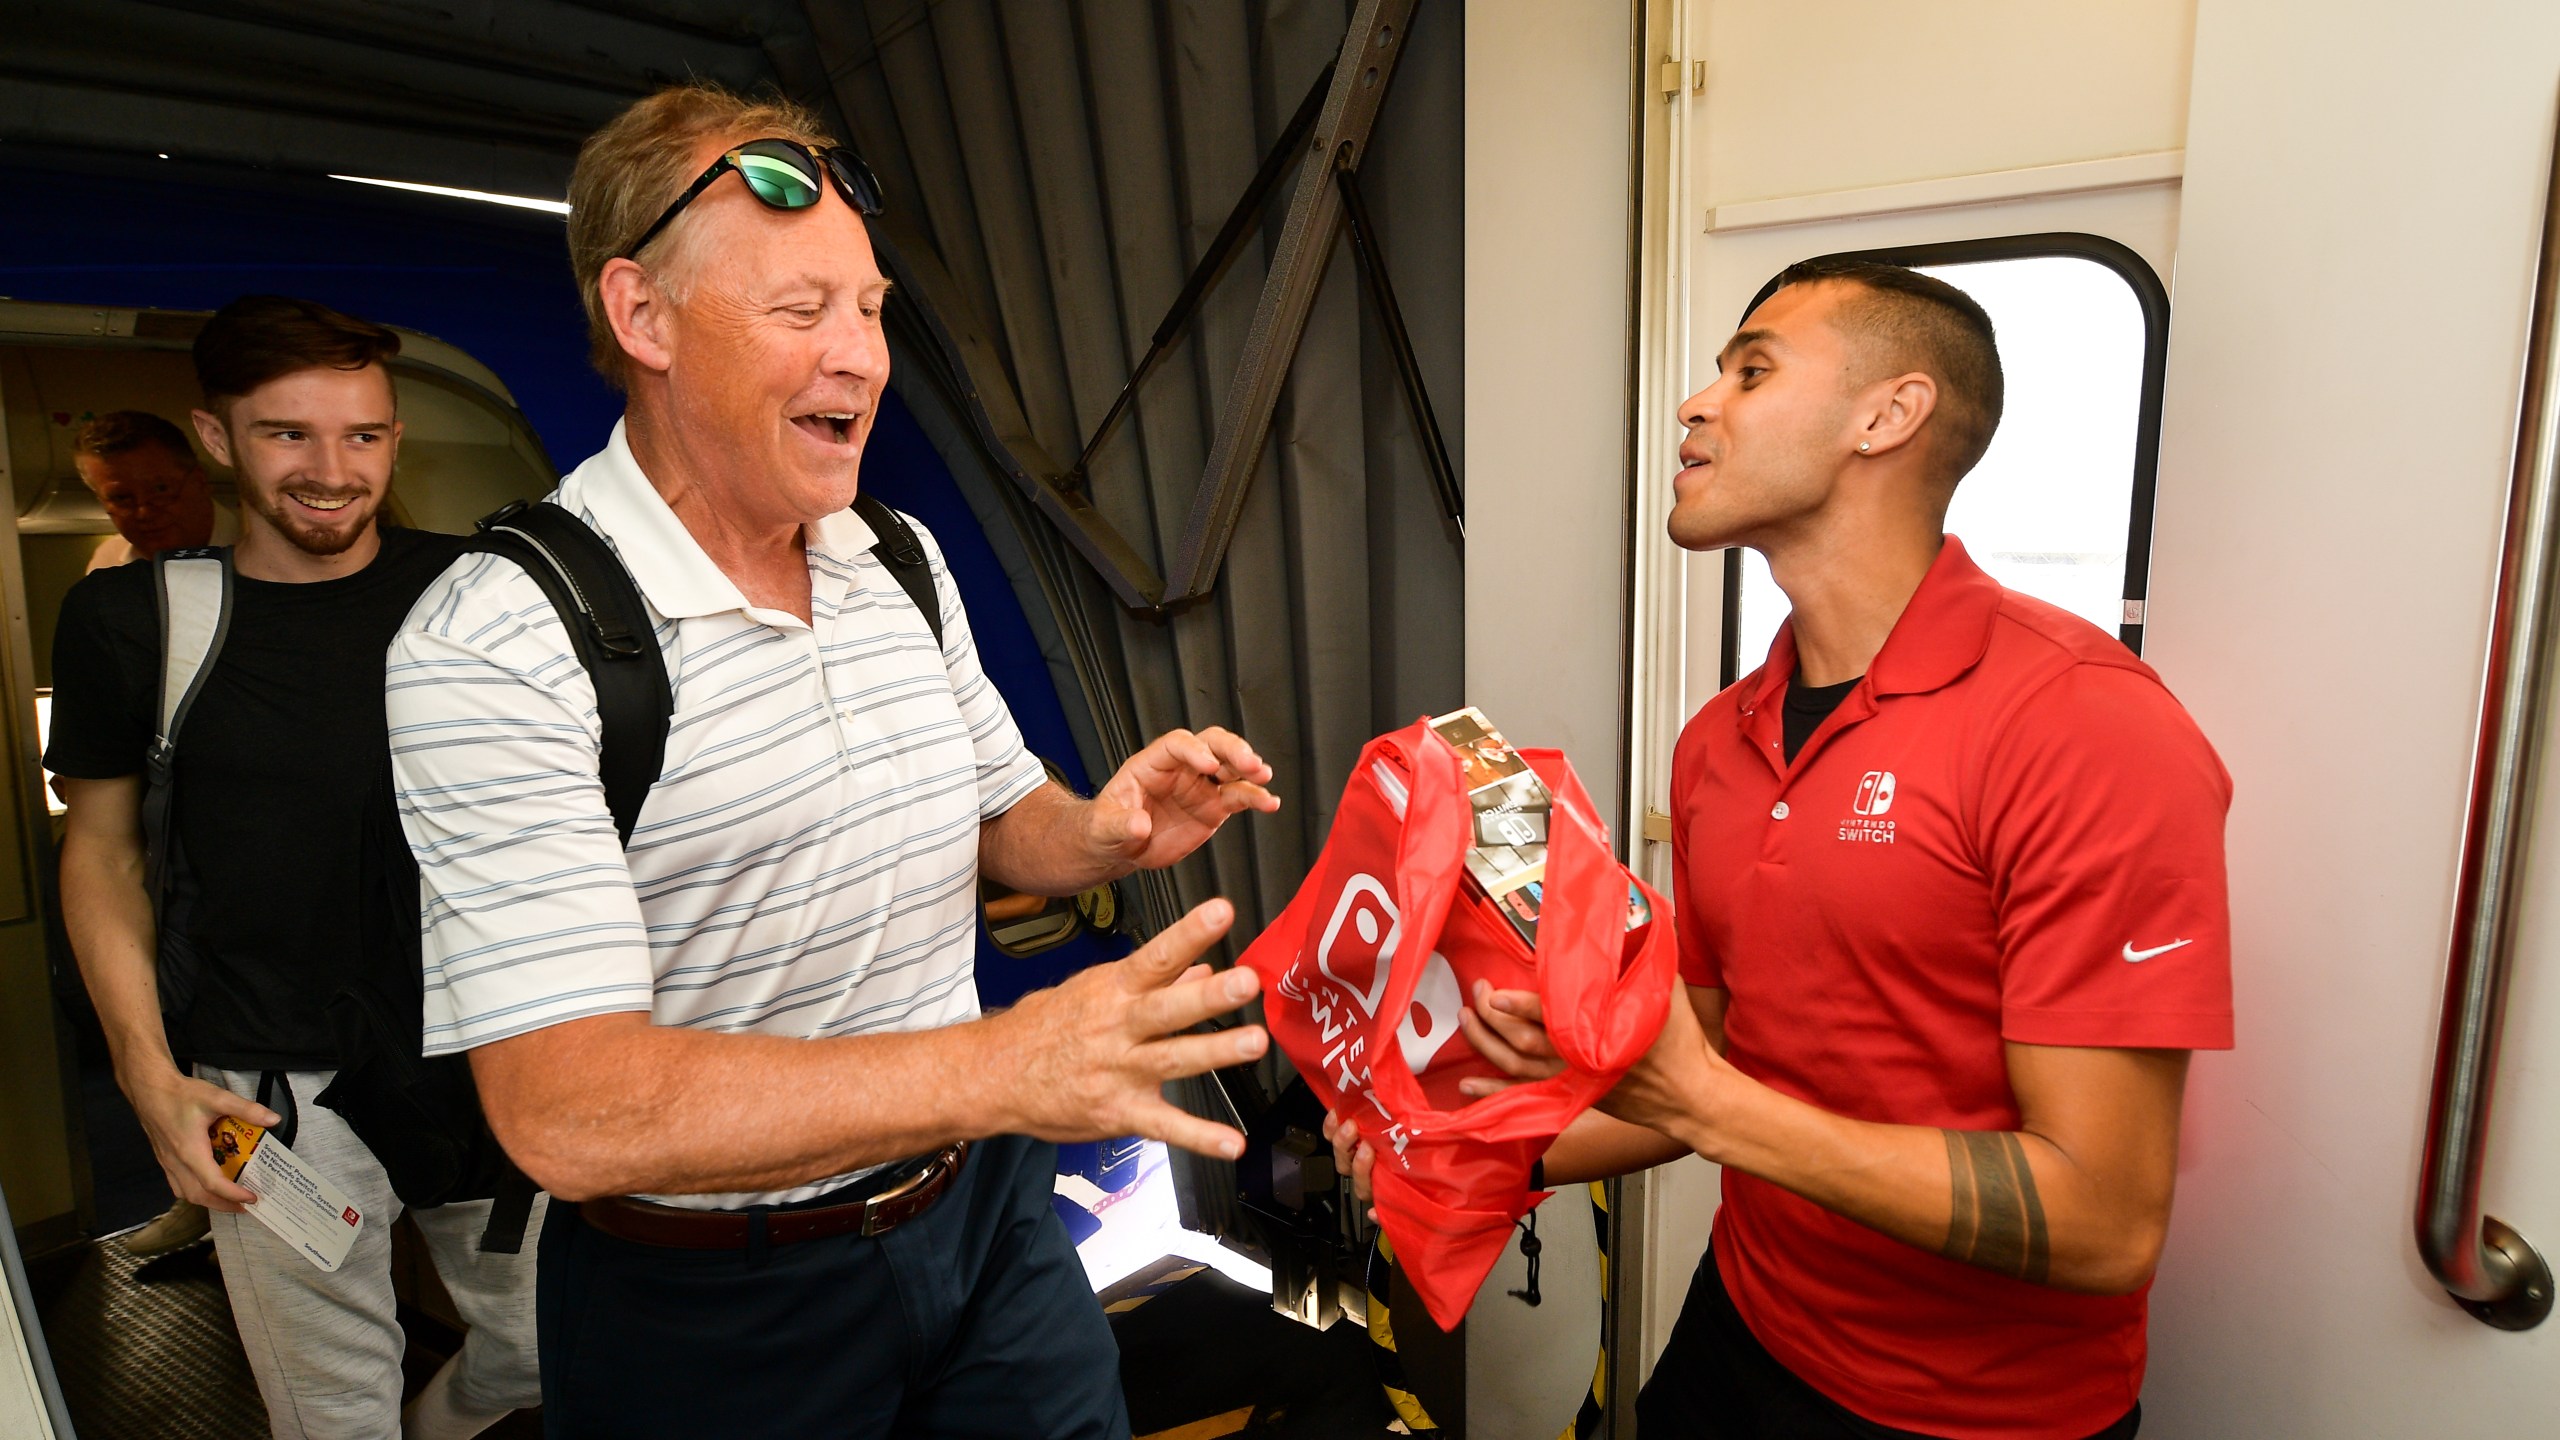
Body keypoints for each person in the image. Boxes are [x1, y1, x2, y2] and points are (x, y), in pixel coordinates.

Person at [384, 84, 1280, 1440]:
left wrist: (1097, 829)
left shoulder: (898, 564)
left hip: (980, 1226)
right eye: (802, 313)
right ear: (642, 319)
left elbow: (1000, 811)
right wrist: (1005, 1064)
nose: (860, 358)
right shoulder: (502, 643)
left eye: (868, 311)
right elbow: (567, 1114)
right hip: (713, 1303)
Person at [1334, 258, 2232, 1439]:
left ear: (1887, 415)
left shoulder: (2082, 724)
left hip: (1973, 1415)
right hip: (1744, 1330)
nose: (1695, 405)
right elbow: (1705, 1053)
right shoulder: (1721, 741)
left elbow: (2105, 1221)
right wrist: (1486, 1153)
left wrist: (1707, 1106)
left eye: (1750, 371)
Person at [51, 295, 543, 1440]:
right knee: (330, 1413)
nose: (333, 469)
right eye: (289, 434)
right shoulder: (135, 617)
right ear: (217, 437)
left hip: (479, 1057)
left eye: (362, 435)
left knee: (534, 1345)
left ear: (393, 439)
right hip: (262, 1095)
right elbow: (104, 851)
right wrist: (142, 1072)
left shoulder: (480, 590)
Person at [71, 409, 240, 571]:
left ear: (200, 481)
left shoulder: (259, 552)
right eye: (122, 498)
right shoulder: (109, 563)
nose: (144, 513)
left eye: (160, 489)